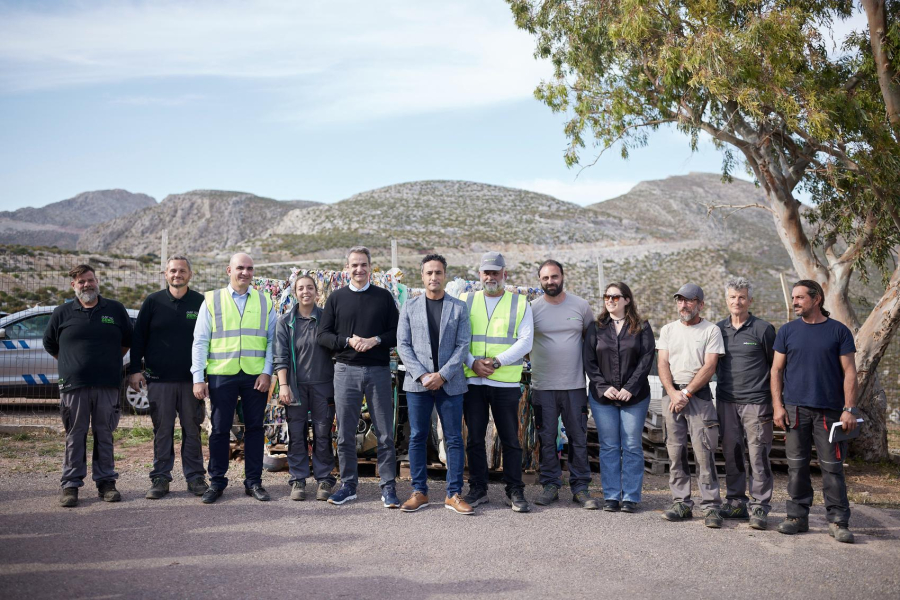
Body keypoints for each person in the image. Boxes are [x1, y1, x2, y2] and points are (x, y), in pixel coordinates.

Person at [771, 280, 858, 543]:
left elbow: (850, 372)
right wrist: (778, 406)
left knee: (832, 468)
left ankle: (838, 521)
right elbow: (776, 370)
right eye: (794, 297)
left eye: (800, 297)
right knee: (797, 467)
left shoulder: (839, 332)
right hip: (796, 410)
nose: (795, 302)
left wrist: (849, 409)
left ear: (816, 298)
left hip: (830, 413)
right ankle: (797, 517)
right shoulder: (787, 331)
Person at [43, 264, 133, 507]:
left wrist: (107, 362)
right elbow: (51, 345)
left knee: (104, 433)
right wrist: (72, 363)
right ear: (74, 285)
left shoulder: (114, 309)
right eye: (81, 281)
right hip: (74, 386)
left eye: (90, 280)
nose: (87, 285)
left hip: (108, 385)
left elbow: (126, 342)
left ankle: (106, 483)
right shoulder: (62, 312)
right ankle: (71, 485)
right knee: (75, 434)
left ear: (97, 281)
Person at [317, 246, 400, 507]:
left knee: (385, 433)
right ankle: (348, 485)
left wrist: (375, 340)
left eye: (364, 264)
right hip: (345, 371)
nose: (359, 269)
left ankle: (388, 487)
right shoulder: (336, 298)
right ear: (347, 268)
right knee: (345, 433)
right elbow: (323, 336)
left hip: (377, 371)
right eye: (354, 265)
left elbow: (397, 333)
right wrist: (347, 340)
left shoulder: (384, 297)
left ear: (370, 267)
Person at [191, 253, 276, 504]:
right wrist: (198, 377)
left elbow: (273, 341)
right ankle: (216, 482)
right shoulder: (212, 300)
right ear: (229, 270)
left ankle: (253, 482)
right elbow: (200, 342)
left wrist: (267, 372)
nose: (245, 273)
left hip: (255, 375)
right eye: (240, 268)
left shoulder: (265, 301)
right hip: (221, 374)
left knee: (255, 429)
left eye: (250, 268)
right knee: (219, 430)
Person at [396, 254, 473, 514]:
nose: (433, 277)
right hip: (418, 384)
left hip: (450, 384)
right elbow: (403, 345)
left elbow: (463, 345)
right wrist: (422, 375)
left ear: (445, 275)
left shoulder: (459, 308)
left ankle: (453, 493)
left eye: (438, 272)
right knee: (417, 437)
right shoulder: (409, 306)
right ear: (422, 276)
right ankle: (419, 491)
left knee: (453, 438)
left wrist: (442, 375)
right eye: (429, 273)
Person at [128, 255, 208, 500]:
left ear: (190, 274)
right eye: (173, 271)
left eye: (182, 271)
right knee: (162, 430)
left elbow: (208, 340)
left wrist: (204, 376)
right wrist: (134, 369)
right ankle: (160, 478)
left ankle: (195, 477)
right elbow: (138, 337)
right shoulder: (153, 302)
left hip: (190, 380)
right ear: (166, 274)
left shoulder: (200, 302)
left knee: (192, 430)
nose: (177, 275)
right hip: (159, 379)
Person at [461, 251, 533, 513]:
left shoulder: (520, 303)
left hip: (505, 383)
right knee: (475, 439)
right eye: (486, 272)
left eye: (495, 272)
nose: (490, 277)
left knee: (510, 439)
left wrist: (497, 362)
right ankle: (478, 489)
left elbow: (526, 341)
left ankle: (515, 489)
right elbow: (458, 339)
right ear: (479, 274)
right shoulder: (465, 300)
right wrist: (472, 363)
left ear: (505, 274)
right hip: (473, 382)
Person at [530, 259, 599, 510]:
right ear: (540, 280)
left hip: (574, 386)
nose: (551, 282)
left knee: (578, 438)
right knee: (547, 438)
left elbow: (591, 343)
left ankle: (580, 488)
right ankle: (551, 484)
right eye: (546, 278)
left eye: (554, 277)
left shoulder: (581, 306)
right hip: (543, 386)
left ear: (563, 277)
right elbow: (525, 344)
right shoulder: (532, 308)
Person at [657, 283, 725, 527]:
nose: (683, 305)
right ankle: (681, 503)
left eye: (689, 300)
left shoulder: (711, 331)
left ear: (700, 304)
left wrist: (685, 392)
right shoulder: (668, 330)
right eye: (680, 300)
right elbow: (662, 363)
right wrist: (673, 393)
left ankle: (711, 507)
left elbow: (709, 366)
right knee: (675, 453)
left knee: (704, 453)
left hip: (699, 397)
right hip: (672, 396)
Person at [584, 282, 655, 513]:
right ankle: (612, 496)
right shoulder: (596, 327)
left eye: (615, 297)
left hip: (634, 397)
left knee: (632, 445)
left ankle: (631, 497)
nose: (610, 301)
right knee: (609, 446)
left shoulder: (642, 327)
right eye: (607, 297)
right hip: (602, 398)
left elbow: (646, 360)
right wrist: (603, 386)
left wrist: (630, 387)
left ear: (627, 299)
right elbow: (589, 361)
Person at [714, 277, 776, 529]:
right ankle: (736, 502)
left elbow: (777, 368)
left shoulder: (763, 329)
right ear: (726, 300)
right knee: (732, 454)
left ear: (750, 300)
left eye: (741, 297)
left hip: (757, 403)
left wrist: (776, 403)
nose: (736, 301)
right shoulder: (718, 330)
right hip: (726, 402)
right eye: (732, 297)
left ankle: (760, 506)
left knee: (758, 454)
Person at [273, 273, 337, 502]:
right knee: (297, 434)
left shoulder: (327, 320)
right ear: (295, 292)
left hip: (323, 386)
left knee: (322, 433)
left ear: (317, 292)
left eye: (310, 287)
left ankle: (324, 479)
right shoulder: (285, 322)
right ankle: (298, 479)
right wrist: (283, 386)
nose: (306, 292)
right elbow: (280, 357)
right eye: (301, 288)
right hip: (295, 388)